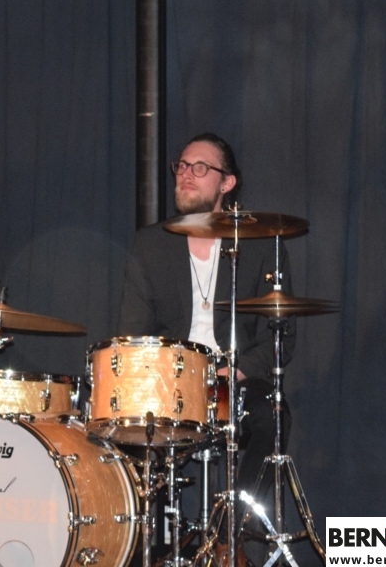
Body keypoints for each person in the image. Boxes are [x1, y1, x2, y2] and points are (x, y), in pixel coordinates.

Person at [117, 133, 292, 509]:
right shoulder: (151, 244)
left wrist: (234, 373)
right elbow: (133, 333)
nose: (185, 174)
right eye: (181, 166)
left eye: (200, 168)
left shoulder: (259, 242)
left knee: (273, 416)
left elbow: (280, 338)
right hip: (170, 382)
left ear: (226, 183)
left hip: (233, 382)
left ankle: (234, 527)